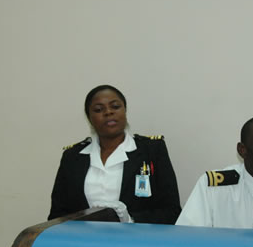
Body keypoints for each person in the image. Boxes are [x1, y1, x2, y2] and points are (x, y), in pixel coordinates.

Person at [48, 84, 181, 224]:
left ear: (125, 110)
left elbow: (172, 212)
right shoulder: (73, 157)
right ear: (89, 118)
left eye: (115, 106)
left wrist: (130, 219)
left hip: (136, 241)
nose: (108, 112)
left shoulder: (151, 150)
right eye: (99, 109)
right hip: (85, 243)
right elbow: (57, 216)